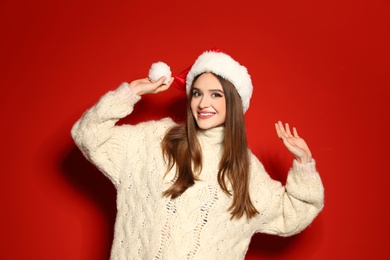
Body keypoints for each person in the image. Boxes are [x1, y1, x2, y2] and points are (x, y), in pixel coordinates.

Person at [71, 49, 324, 260]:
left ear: (233, 103)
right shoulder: (155, 140)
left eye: (216, 94)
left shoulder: (245, 170)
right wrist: (131, 92)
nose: (203, 103)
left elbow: (294, 214)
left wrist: (304, 163)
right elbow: (88, 134)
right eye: (197, 93)